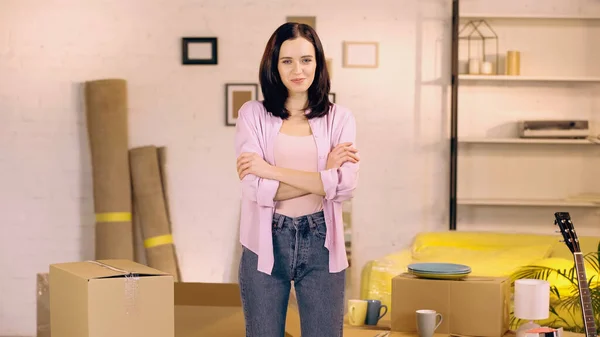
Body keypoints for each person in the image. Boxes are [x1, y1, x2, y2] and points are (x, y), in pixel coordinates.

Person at [234, 22, 360, 337]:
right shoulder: (252, 115)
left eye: (306, 60)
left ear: (318, 63)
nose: (298, 70)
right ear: (274, 66)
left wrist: (271, 171)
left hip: (322, 240)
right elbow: (253, 187)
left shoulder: (340, 118)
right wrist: (323, 178)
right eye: (287, 61)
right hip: (265, 240)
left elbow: (345, 187)